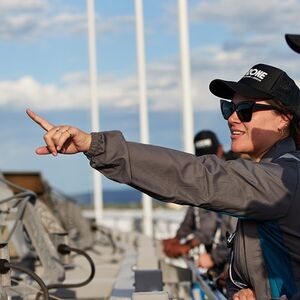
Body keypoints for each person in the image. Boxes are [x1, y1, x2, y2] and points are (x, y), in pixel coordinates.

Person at [27, 62, 300, 300]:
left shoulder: (281, 179)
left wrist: (93, 144)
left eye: (245, 109)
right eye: (228, 107)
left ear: (284, 120)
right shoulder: (275, 174)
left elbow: (196, 177)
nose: (231, 117)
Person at [163, 130, 223, 258]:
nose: (209, 162)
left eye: (212, 158)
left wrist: (185, 246)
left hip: (225, 256)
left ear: (221, 150)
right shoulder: (203, 180)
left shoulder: (226, 180)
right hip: (216, 254)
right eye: (203, 158)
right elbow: (193, 210)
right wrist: (177, 238)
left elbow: (208, 228)